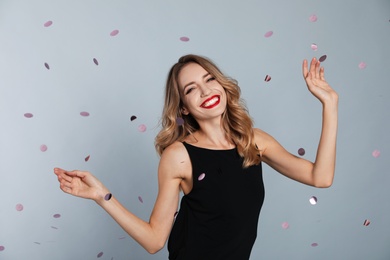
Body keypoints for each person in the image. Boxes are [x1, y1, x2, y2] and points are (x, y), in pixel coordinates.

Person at [54, 54, 338, 259]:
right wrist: (101, 195)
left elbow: (320, 177)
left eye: (209, 79)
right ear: (184, 108)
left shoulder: (254, 141)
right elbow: (154, 241)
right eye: (191, 90)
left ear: (221, 85)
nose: (205, 91)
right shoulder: (178, 156)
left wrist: (330, 104)